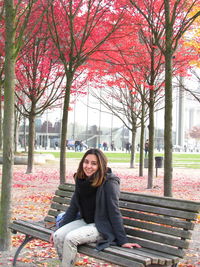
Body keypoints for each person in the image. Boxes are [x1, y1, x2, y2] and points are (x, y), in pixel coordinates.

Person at [50, 148, 141, 267]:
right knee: (58, 236)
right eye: (86, 162)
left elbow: (114, 211)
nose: (88, 166)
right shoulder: (81, 179)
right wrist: (59, 228)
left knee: (70, 239)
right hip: (86, 221)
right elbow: (73, 207)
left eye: (94, 163)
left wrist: (122, 241)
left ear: (100, 165)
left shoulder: (109, 182)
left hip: (102, 226)